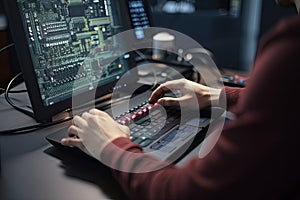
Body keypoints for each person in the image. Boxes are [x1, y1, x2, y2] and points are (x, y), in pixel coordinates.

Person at [61, 0, 300, 199]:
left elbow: (186, 193)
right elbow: (286, 104)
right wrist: (215, 95)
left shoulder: (290, 50)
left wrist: (112, 145)